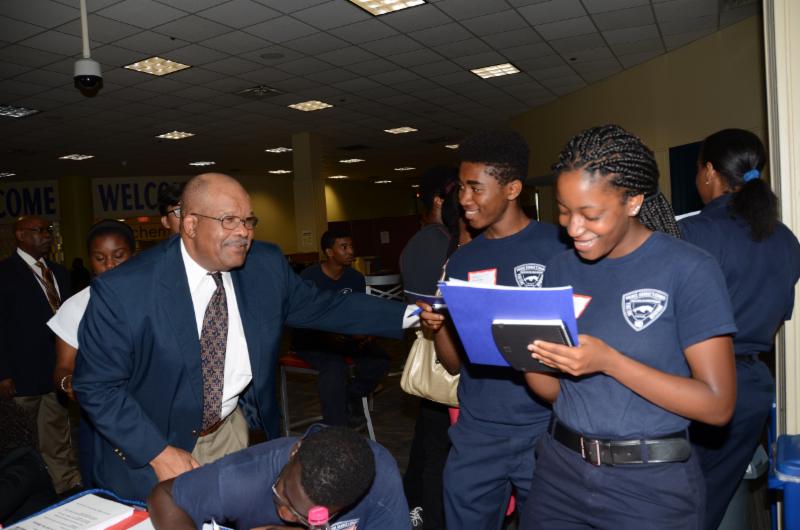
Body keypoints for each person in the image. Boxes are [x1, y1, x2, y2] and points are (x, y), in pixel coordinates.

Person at [72, 173, 409, 501]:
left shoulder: (264, 266)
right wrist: (158, 453)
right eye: (229, 220)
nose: (243, 232)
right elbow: (96, 386)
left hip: (229, 433)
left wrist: (414, 315)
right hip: (151, 446)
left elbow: (327, 307)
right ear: (190, 225)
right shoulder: (126, 288)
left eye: (248, 221)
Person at [518, 124, 737, 529]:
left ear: (634, 201)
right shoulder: (558, 270)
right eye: (563, 211)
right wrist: (520, 349)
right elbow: (555, 391)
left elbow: (717, 405)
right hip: (559, 474)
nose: (573, 228)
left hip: (650, 488)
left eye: (591, 215)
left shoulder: (689, 269)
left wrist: (610, 362)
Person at [418, 131, 568, 530]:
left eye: (475, 188)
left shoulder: (560, 248)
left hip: (546, 427)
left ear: (512, 189)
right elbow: (453, 364)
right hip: (478, 431)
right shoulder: (462, 261)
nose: (464, 199)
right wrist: (439, 327)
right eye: (461, 187)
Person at [679, 128, 800, 529]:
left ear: (709, 172)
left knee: (674, 503)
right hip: (751, 389)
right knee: (710, 502)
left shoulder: (694, 234)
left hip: (695, 381)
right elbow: (778, 314)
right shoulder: (786, 241)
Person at [148, 425, 410, 530]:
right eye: (283, 491)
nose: (284, 513)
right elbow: (165, 496)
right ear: (296, 450)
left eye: (301, 516)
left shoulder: (379, 483)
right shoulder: (245, 476)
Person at [47, 220, 136, 486]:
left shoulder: (156, 297)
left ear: (133, 255)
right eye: (100, 258)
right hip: (99, 417)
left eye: (118, 256)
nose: (110, 264)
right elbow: (63, 367)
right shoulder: (76, 306)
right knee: (103, 489)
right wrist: (69, 383)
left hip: (151, 411)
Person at [0, 216, 81, 494]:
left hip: (55, 370)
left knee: (57, 434)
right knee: (20, 442)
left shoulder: (59, 272)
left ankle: (66, 487)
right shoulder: (4, 273)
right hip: (19, 374)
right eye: (39, 231)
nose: (46, 235)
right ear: (20, 235)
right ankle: (26, 492)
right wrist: (3, 372)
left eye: (48, 230)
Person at [399, 166, 459, 530]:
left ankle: (416, 504)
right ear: (440, 200)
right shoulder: (432, 242)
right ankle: (425, 512)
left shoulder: (441, 239)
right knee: (437, 444)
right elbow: (430, 305)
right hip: (438, 352)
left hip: (443, 351)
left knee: (430, 439)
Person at [292, 229, 390, 427]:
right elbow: (300, 317)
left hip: (346, 339)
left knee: (379, 359)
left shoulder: (355, 278)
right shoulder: (309, 277)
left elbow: (359, 312)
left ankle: (351, 395)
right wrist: (329, 334)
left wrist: (366, 331)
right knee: (335, 368)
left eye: (351, 246)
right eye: (344, 247)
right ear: (329, 252)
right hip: (312, 340)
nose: (351, 251)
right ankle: (336, 430)